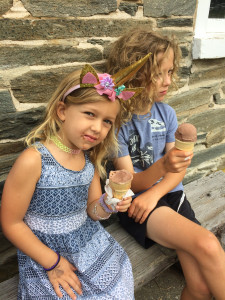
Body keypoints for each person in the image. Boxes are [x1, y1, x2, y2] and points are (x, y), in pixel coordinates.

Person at [0, 58, 152, 299]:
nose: (97, 128)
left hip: (87, 245)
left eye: (106, 122)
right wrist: (53, 263)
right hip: (46, 254)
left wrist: (108, 203)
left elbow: (92, 211)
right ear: (62, 111)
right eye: (89, 114)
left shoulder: (89, 161)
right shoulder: (35, 160)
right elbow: (11, 222)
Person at [106, 28, 225, 300]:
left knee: (200, 287)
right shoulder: (117, 123)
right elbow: (132, 182)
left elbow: (178, 169)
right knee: (207, 243)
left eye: (170, 72)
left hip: (171, 195)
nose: (166, 81)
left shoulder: (167, 114)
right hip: (137, 204)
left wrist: (161, 186)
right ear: (134, 74)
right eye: (158, 73)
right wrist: (162, 170)